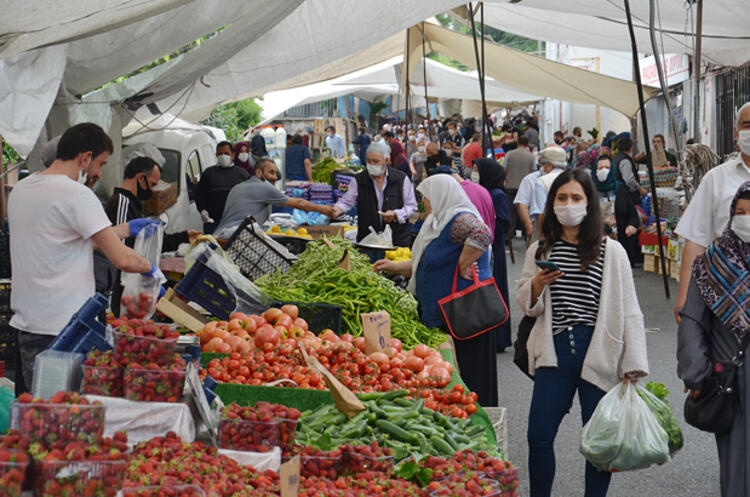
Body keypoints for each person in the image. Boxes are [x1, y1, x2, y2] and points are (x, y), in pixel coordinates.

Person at [517, 168, 649, 497]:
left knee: (599, 444)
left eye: (576, 198)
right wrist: (536, 285)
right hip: (554, 350)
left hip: (600, 351)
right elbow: (526, 302)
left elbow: (630, 309)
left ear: (588, 203)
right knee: (539, 435)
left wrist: (632, 362)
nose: (569, 204)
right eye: (562, 198)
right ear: (552, 203)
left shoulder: (611, 251)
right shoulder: (540, 250)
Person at [9, 123, 157, 393]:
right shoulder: (77, 195)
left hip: (29, 327)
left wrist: (124, 229)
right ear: (85, 158)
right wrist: (151, 268)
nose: (99, 173)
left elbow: (63, 238)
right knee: (66, 422)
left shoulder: (22, 189)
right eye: (100, 163)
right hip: (66, 330)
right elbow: (122, 259)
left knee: (36, 419)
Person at [373, 175, 498, 406]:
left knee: (470, 378)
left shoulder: (459, 218)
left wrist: (463, 263)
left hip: (463, 317)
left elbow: (482, 234)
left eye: (426, 197)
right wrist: (392, 266)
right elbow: (425, 263)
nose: (424, 203)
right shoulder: (436, 224)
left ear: (441, 195)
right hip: (444, 316)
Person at [677, 181, 750, 497]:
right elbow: (693, 320)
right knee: (736, 466)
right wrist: (695, 373)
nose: (746, 219)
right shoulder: (711, 261)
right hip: (731, 379)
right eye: (741, 212)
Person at [674, 102, 750, 322]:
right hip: (727, 296)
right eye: (747, 125)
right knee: (724, 355)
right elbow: (697, 240)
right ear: (736, 132)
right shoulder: (716, 180)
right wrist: (684, 299)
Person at [102, 156, 201, 316]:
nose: (154, 190)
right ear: (141, 178)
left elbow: (149, 244)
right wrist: (147, 274)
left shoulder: (134, 204)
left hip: (133, 287)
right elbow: (119, 250)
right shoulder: (122, 202)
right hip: (123, 289)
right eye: (153, 184)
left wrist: (184, 236)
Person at [214, 158, 333, 237]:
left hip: (219, 236)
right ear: (259, 173)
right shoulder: (264, 187)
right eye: (271, 172)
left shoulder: (237, 187)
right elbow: (299, 203)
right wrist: (326, 210)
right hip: (236, 238)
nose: (275, 177)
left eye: (276, 173)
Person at [330, 141, 417, 247]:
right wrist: (336, 209)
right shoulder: (359, 180)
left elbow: (411, 206)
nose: (371, 165)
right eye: (368, 161)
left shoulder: (401, 179)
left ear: (387, 160)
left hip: (397, 241)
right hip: (368, 240)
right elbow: (346, 201)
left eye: (375, 161)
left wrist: (396, 214)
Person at [475, 158, 512, 353]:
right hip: (487, 245)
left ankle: (500, 338)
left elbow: (504, 222)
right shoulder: (487, 192)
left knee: (495, 289)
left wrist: (486, 228)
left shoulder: (497, 195)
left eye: (477, 170)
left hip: (494, 247)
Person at [196, 141, 251, 234]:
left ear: (233, 155)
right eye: (220, 154)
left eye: (226, 153)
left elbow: (249, 196)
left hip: (235, 222)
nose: (223, 156)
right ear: (216, 155)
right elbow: (200, 194)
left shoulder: (242, 174)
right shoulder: (209, 173)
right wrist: (202, 210)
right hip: (213, 222)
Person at [613, 137, 646, 268]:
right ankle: (631, 257)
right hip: (627, 197)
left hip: (620, 196)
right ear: (630, 148)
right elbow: (629, 179)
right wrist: (639, 189)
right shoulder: (625, 161)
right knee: (631, 224)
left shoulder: (616, 159)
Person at [504, 135, 537, 238]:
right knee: (525, 209)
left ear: (517, 143)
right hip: (525, 187)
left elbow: (505, 168)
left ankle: (509, 233)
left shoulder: (509, 154)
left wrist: (506, 179)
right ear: (527, 144)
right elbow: (534, 171)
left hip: (510, 185)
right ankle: (525, 232)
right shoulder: (531, 156)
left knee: (511, 211)